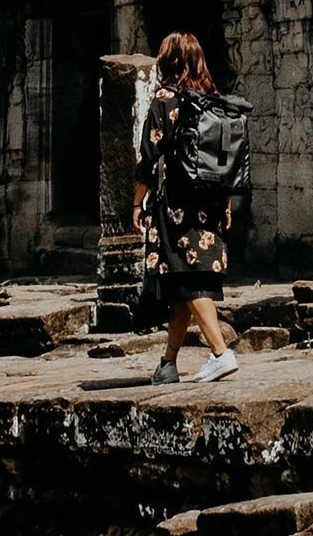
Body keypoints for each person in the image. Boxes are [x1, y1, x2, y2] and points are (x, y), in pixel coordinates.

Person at [132, 31, 241, 384]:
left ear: (168, 62)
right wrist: (226, 202)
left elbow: (149, 157)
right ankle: (168, 364)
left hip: (177, 204)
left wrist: (137, 201)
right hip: (209, 202)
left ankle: (220, 353)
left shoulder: (165, 100)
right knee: (183, 282)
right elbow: (225, 161)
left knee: (190, 280)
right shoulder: (211, 101)